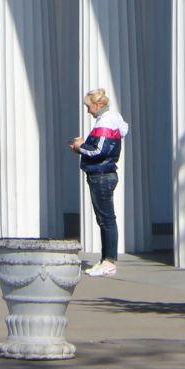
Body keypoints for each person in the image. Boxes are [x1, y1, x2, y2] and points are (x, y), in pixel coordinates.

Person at [69, 88, 127, 277]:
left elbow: (99, 151)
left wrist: (80, 147)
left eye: (89, 107)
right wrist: (84, 146)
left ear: (98, 105)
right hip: (104, 174)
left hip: (101, 175)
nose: (88, 111)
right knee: (106, 219)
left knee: (106, 220)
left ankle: (109, 262)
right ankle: (106, 261)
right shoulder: (112, 120)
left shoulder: (105, 122)